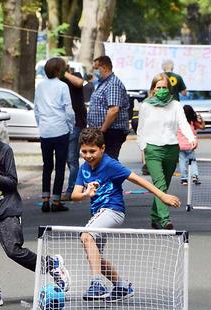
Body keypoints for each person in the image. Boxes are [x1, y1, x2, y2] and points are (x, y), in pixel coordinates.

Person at [0, 112, 69, 308]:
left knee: (14, 251)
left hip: (8, 210)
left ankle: (51, 265)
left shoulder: (5, 151)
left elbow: (12, 182)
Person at [71, 128, 181, 302]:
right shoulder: (84, 168)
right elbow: (74, 195)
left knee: (86, 236)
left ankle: (97, 283)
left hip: (112, 210)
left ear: (102, 148)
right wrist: (86, 194)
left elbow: (137, 179)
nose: (88, 155)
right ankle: (121, 286)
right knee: (94, 255)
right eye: (84, 151)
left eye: (92, 151)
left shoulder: (110, 164)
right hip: (98, 213)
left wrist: (162, 195)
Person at [137, 73, 195, 230]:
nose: (161, 90)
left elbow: (183, 123)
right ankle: (164, 219)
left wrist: (191, 138)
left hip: (171, 148)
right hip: (153, 149)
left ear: (169, 89)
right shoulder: (146, 105)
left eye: (164, 87)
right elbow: (140, 129)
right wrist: (143, 147)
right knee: (160, 183)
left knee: (164, 186)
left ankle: (155, 216)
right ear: (153, 89)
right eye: (158, 87)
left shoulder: (175, 105)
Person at [34, 57, 75, 212]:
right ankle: (56, 201)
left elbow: (36, 109)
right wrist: (70, 126)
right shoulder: (63, 86)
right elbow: (68, 110)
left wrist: (41, 125)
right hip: (60, 129)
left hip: (45, 131)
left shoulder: (40, 86)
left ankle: (45, 199)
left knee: (47, 166)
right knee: (59, 166)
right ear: (59, 70)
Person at [87, 55, 130, 160]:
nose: (94, 72)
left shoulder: (112, 84)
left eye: (96, 69)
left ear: (104, 68)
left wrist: (102, 130)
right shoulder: (104, 83)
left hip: (111, 131)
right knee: (104, 162)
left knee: (109, 162)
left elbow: (114, 110)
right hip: (106, 131)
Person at [61, 61, 87, 202]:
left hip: (77, 122)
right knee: (68, 159)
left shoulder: (73, 76)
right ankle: (76, 186)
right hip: (62, 124)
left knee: (72, 158)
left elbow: (79, 83)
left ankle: (72, 190)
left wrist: (64, 73)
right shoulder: (57, 82)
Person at [177, 105, 204, 186]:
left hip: (180, 146)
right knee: (192, 161)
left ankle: (184, 179)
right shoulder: (193, 122)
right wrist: (201, 119)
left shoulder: (179, 123)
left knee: (182, 162)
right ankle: (195, 176)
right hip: (190, 145)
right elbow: (203, 127)